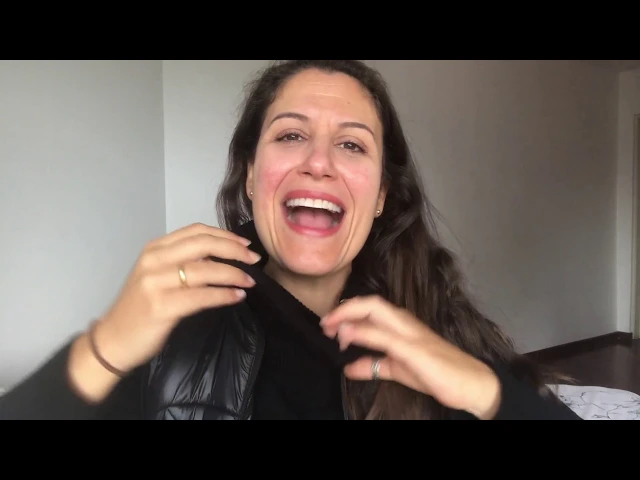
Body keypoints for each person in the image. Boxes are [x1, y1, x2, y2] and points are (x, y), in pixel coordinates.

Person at [0, 59, 580, 420]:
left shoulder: (430, 321)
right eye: (291, 135)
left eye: (351, 144)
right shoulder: (178, 332)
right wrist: (101, 350)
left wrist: (484, 389)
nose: (319, 163)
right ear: (251, 177)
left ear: (381, 196)